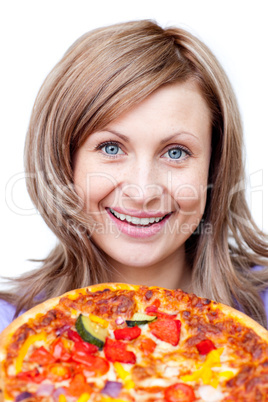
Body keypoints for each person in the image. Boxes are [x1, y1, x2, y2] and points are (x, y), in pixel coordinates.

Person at [0, 20, 267, 333]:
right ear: (64, 161)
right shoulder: (11, 329)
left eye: (176, 152)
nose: (142, 191)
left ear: (214, 166)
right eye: (111, 148)